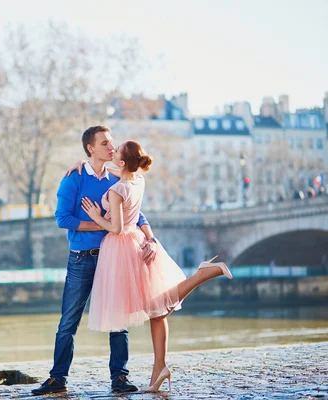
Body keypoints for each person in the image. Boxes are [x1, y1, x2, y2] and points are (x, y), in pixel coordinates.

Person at [80, 140, 232, 392]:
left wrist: (97, 217)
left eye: (115, 151)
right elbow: (122, 175)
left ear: (120, 161)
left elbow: (115, 227)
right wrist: (85, 164)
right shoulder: (138, 180)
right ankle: (159, 368)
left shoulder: (117, 190)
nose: (112, 150)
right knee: (157, 311)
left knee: (155, 305)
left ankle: (203, 274)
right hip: (138, 242)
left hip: (121, 248)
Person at [32, 126, 158, 395]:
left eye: (112, 142)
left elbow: (135, 214)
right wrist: (101, 225)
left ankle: (120, 378)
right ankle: (57, 378)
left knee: (119, 320)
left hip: (113, 258)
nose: (111, 147)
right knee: (69, 320)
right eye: (105, 143)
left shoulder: (116, 178)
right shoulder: (73, 179)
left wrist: (149, 236)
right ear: (91, 148)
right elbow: (62, 219)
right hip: (82, 260)